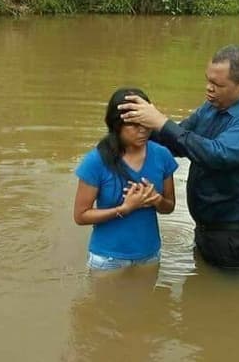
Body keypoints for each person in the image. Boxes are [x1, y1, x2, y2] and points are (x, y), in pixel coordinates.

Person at [119, 45, 239, 269]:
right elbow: (181, 142)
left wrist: (161, 122)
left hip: (238, 238)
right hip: (207, 229)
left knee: (230, 301)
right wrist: (137, 130)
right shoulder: (212, 107)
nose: (209, 89)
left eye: (217, 85)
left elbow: (216, 155)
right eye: (208, 80)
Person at [73, 87, 178, 271]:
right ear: (116, 125)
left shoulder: (162, 156)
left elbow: (169, 207)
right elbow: (81, 216)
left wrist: (157, 200)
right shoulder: (95, 161)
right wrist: (124, 209)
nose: (143, 130)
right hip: (108, 258)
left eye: (146, 123)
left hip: (149, 255)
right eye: (134, 125)